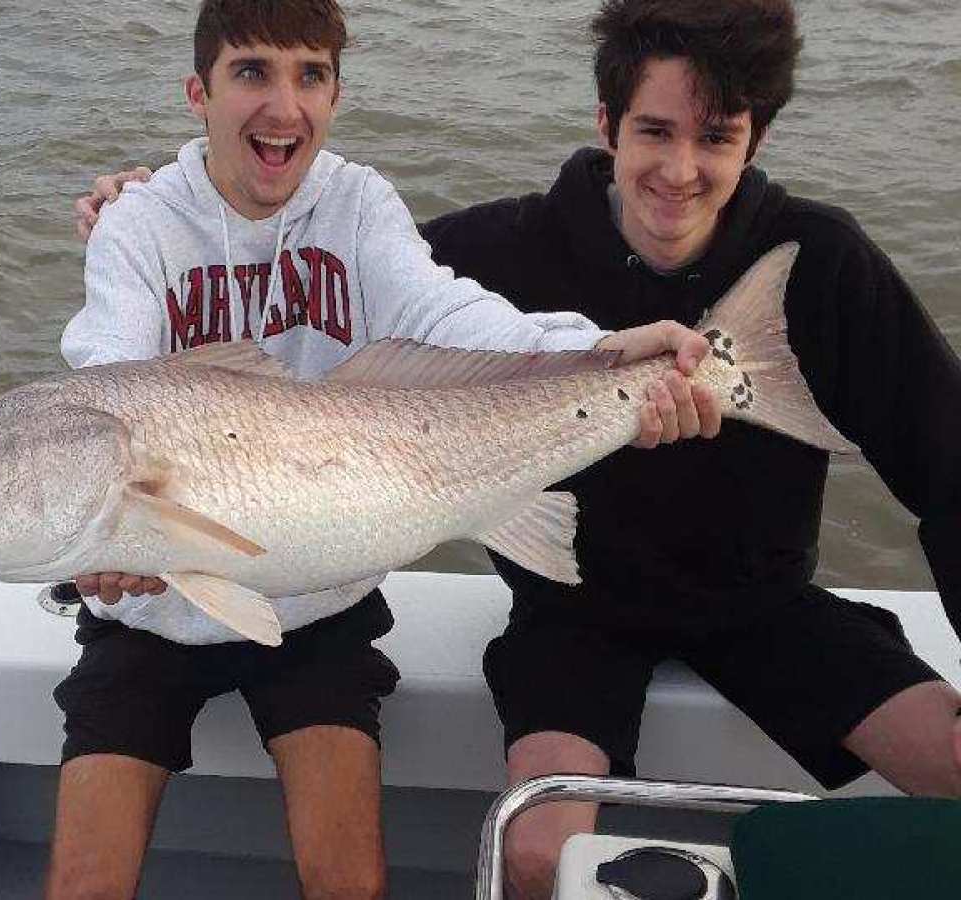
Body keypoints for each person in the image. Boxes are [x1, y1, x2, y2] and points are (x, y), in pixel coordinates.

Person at [78, 1, 961, 896]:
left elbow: (951, 469)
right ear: (607, 125)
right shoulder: (501, 246)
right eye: (653, 131)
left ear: (755, 138)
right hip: (576, 615)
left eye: (717, 139)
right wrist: (161, 198)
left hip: (766, 605)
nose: (680, 170)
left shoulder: (823, 260)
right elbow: (374, 288)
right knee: (535, 854)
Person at [50, 2, 717, 898]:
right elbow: (110, 380)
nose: (284, 106)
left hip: (318, 601)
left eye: (310, 76)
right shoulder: (137, 226)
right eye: (252, 72)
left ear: (335, 94)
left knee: (350, 886)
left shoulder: (358, 204)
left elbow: (449, 316)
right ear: (196, 93)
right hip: (153, 614)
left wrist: (600, 349)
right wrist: (112, 535)